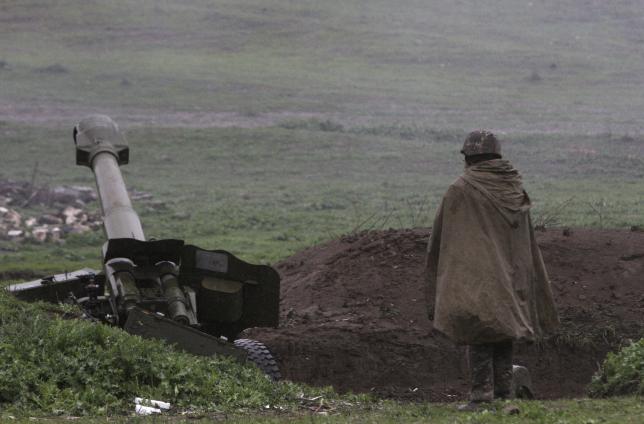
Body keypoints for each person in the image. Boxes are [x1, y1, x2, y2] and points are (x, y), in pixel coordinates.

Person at [425, 130, 559, 410]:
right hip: (512, 276)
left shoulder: (460, 189)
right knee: (503, 330)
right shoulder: (514, 189)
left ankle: (481, 396)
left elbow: (443, 239)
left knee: (480, 332)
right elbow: (524, 241)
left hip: (478, 276)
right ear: (497, 154)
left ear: (467, 156)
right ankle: (503, 393)